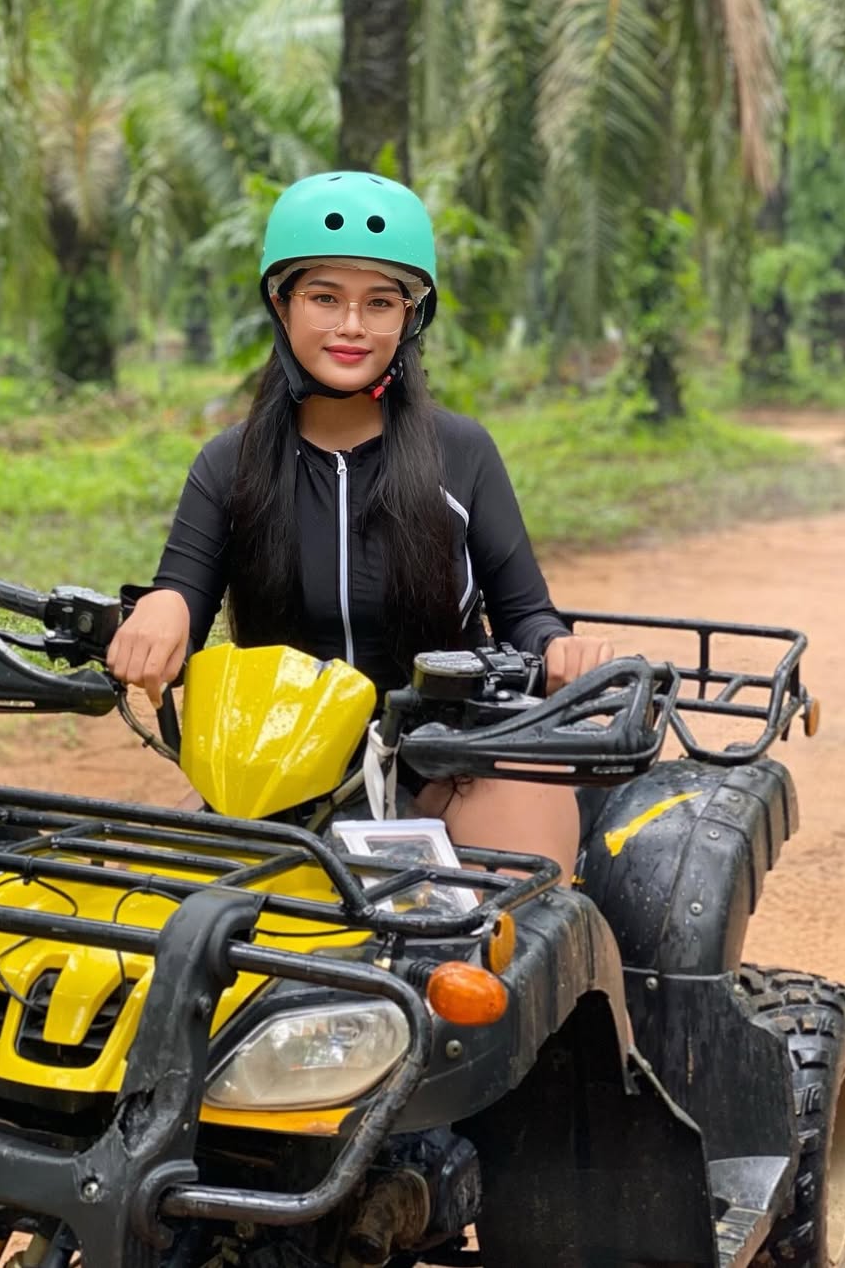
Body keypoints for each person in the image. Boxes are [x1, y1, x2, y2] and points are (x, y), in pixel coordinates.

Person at [107, 171, 613, 883]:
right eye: (325, 298)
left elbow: (526, 614)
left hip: (456, 757)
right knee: (176, 917)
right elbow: (181, 595)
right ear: (281, 303)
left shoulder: (462, 453)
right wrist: (163, 607)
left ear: (411, 316)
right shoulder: (230, 464)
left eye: (380, 302)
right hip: (279, 760)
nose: (352, 326)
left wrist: (560, 648)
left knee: (511, 914)